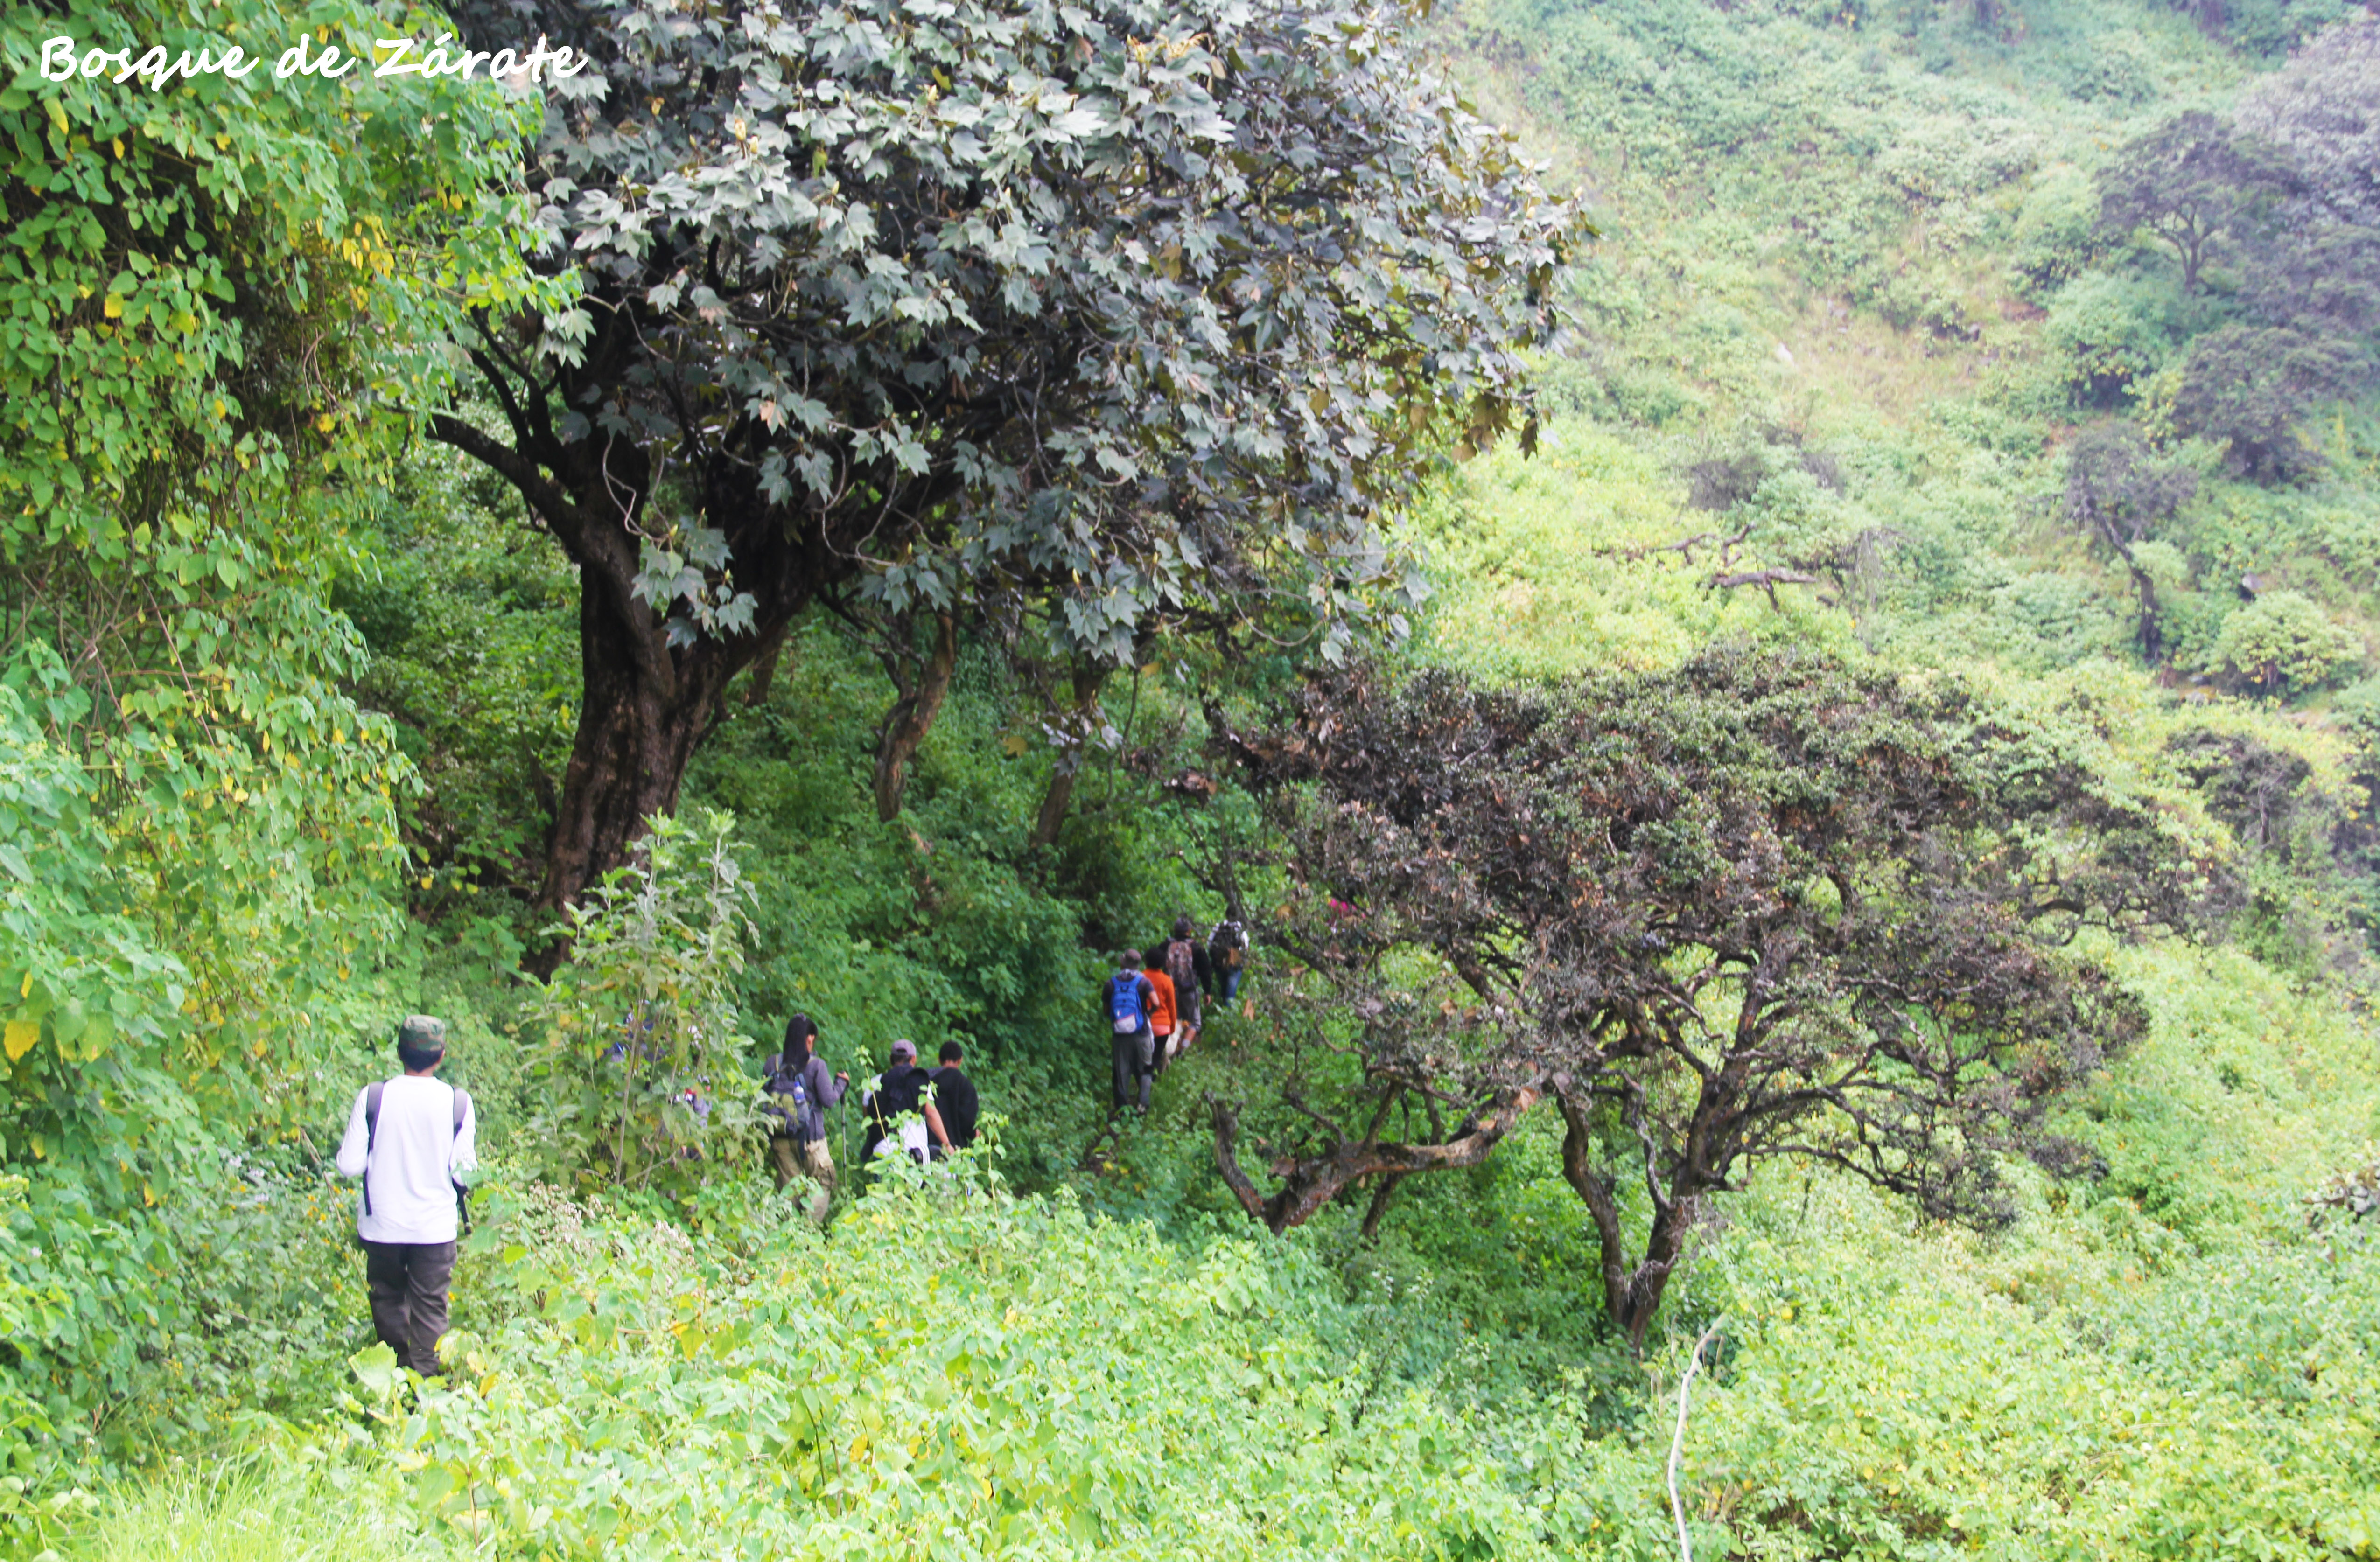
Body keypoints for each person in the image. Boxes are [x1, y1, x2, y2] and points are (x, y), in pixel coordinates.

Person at [335, 1015, 478, 1380]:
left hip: (382, 1226)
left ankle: (395, 1385)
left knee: (387, 1301)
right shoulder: (457, 1104)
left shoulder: (374, 1097)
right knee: (431, 1310)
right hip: (434, 1230)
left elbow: (349, 1165)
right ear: (441, 1055)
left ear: (399, 1053)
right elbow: (465, 1174)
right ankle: (428, 1394)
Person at [765, 1014, 847, 1222]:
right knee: (824, 1181)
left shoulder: (772, 1064)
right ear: (809, 1039)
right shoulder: (816, 1065)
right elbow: (828, 1100)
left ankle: (789, 1237)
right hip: (812, 1141)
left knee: (790, 1193)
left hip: (780, 1139)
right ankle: (807, 1231)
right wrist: (841, 1084)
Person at [859, 1039, 952, 1165]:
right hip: (913, 1151)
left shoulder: (873, 1084)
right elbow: (931, 1113)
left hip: (882, 1149)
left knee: (883, 1185)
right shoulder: (920, 1082)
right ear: (913, 1059)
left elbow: (869, 1120)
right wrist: (947, 1144)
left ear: (891, 1058)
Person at [1102, 951, 1157, 1115]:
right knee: (1146, 1069)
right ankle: (1143, 1105)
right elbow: (1156, 1003)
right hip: (1141, 1032)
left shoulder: (1111, 984)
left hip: (1120, 1035)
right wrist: (1147, 1014)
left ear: (1123, 964)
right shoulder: (1144, 982)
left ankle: (1121, 1110)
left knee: (1121, 1072)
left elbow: (1106, 1011)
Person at [1156, 917, 1212, 1057]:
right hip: (1189, 990)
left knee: (1174, 1020)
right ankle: (1181, 1051)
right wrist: (1208, 992)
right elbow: (1206, 971)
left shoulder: (1165, 946)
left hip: (1169, 989)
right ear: (1189, 931)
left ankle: (1168, 1050)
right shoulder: (1196, 947)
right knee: (1195, 1023)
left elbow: (1155, 963)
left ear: (1175, 930)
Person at [929, 1041, 980, 1154]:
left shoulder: (928, 1082)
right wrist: (974, 1134)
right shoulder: (966, 1086)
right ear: (960, 1060)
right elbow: (968, 1121)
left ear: (939, 1059)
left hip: (928, 1148)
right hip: (955, 1150)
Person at [1141, 953, 1178, 1074]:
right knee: (1155, 1058)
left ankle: (1140, 1081)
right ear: (1164, 965)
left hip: (1142, 1025)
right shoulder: (1167, 981)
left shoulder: (1140, 978)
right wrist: (1172, 1028)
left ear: (1146, 962)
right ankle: (1149, 1084)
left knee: (1142, 1057)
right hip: (1162, 1027)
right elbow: (1172, 1007)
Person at [1208, 918, 1248, 1006]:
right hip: (1235, 966)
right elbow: (1245, 948)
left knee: (1223, 991)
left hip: (1219, 964)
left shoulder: (1219, 927)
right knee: (1230, 996)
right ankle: (1227, 1015)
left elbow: (1210, 944)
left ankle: (1222, 1010)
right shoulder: (1241, 929)